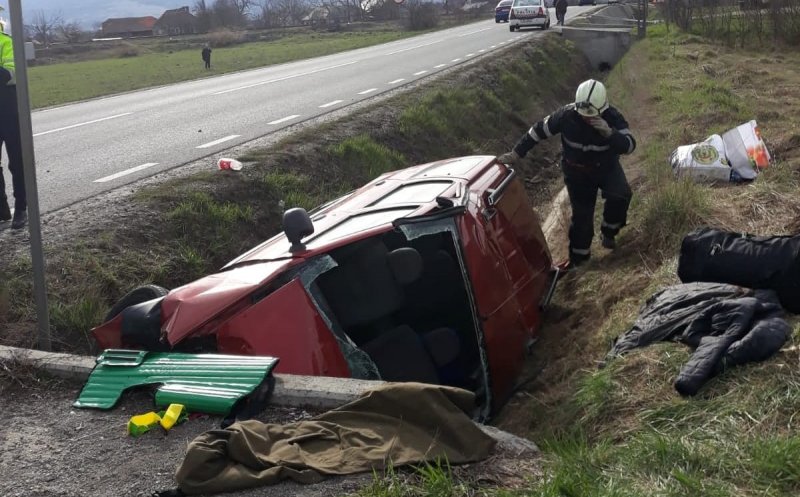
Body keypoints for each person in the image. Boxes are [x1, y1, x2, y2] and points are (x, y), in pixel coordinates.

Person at [498, 79, 636, 268]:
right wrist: (517, 153)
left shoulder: (613, 117)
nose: (587, 119)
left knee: (621, 194)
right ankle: (580, 261)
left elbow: (629, 145)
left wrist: (610, 133)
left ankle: (609, 232)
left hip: (606, 168)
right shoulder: (566, 116)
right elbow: (538, 131)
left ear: (603, 108)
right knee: (582, 219)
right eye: (583, 115)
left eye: (592, 116)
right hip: (577, 174)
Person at [0, 19, 26, 230]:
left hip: (9, 109)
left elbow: (11, 73)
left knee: (17, 162)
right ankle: (1, 209)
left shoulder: (7, 42)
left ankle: (21, 208)